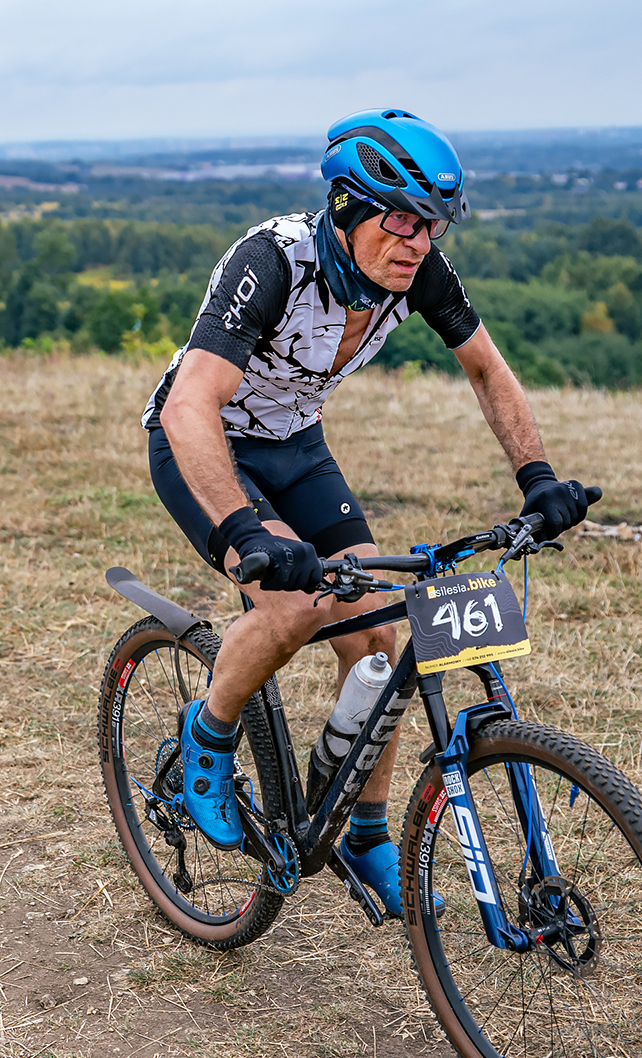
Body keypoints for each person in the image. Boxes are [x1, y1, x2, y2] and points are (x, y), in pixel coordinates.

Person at [142, 108, 590, 915]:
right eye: (402, 219)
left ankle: (366, 832)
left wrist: (539, 477)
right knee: (293, 606)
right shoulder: (272, 260)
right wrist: (245, 530)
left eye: (433, 224)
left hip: (296, 444)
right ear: (347, 207)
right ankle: (208, 732)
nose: (418, 241)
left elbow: (488, 370)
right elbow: (189, 404)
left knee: (379, 627)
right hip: (205, 441)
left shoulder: (419, 273)